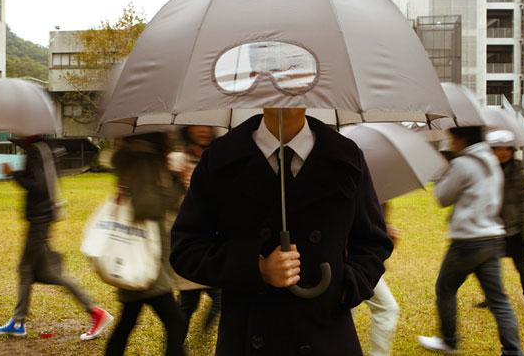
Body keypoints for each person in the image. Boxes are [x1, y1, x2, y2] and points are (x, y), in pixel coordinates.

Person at [171, 109, 393, 356]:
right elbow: (186, 249)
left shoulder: (346, 157)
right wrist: (257, 267)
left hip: (327, 336)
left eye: (297, 71)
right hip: (246, 336)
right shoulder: (221, 159)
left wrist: (345, 287)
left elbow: (373, 242)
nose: (285, 79)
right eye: (274, 71)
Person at [0, 136, 113, 340]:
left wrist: (13, 174)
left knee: (36, 271)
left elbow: (39, 187)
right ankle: (18, 321)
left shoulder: (37, 151)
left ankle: (96, 312)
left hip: (40, 220)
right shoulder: (45, 148)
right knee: (33, 271)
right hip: (42, 219)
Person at [417, 126, 524, 356]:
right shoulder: (491, 161)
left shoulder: (463, 163)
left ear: (461, 139)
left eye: (452, 139)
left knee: (445, 288)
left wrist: (443, 171)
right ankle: (513, 351)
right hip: (493, 237)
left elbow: (442, 197)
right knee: (499, 300)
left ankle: (449, 341)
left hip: (468, 240)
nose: (451, 143)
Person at [105, 133, 187, 356]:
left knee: (127, 323)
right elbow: (146, 206)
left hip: (140, 255)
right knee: (176, 322)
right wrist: (177, 184)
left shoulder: (139, 155)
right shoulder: (144, 158)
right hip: (145, 258)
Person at [168, 126, 222, 334]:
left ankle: (196, 337)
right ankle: (177, 346)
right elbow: (168, 203)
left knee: (216, 299)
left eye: (208, 126)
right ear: (187, 129)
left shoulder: (218, 158)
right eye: (197, 124)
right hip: (188, 241)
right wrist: (182, 184)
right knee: (189, 304)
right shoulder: (176, 161)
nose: (203, 130)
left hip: (213, 240)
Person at [475, 130, 524, 310]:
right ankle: (491, 297)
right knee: (488, 266)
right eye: (497, 149)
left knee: (521, 264)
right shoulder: (486, 169)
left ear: (512, 150)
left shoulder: (518, 170)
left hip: (515, 228)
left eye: (506, 149)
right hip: (493, 225)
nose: (502, 153)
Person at [359, 203, 400, 356]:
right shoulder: (359, 181)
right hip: (350, 261)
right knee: (387, 308)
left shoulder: (380, 187)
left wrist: (385, 234)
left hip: (359, 262)